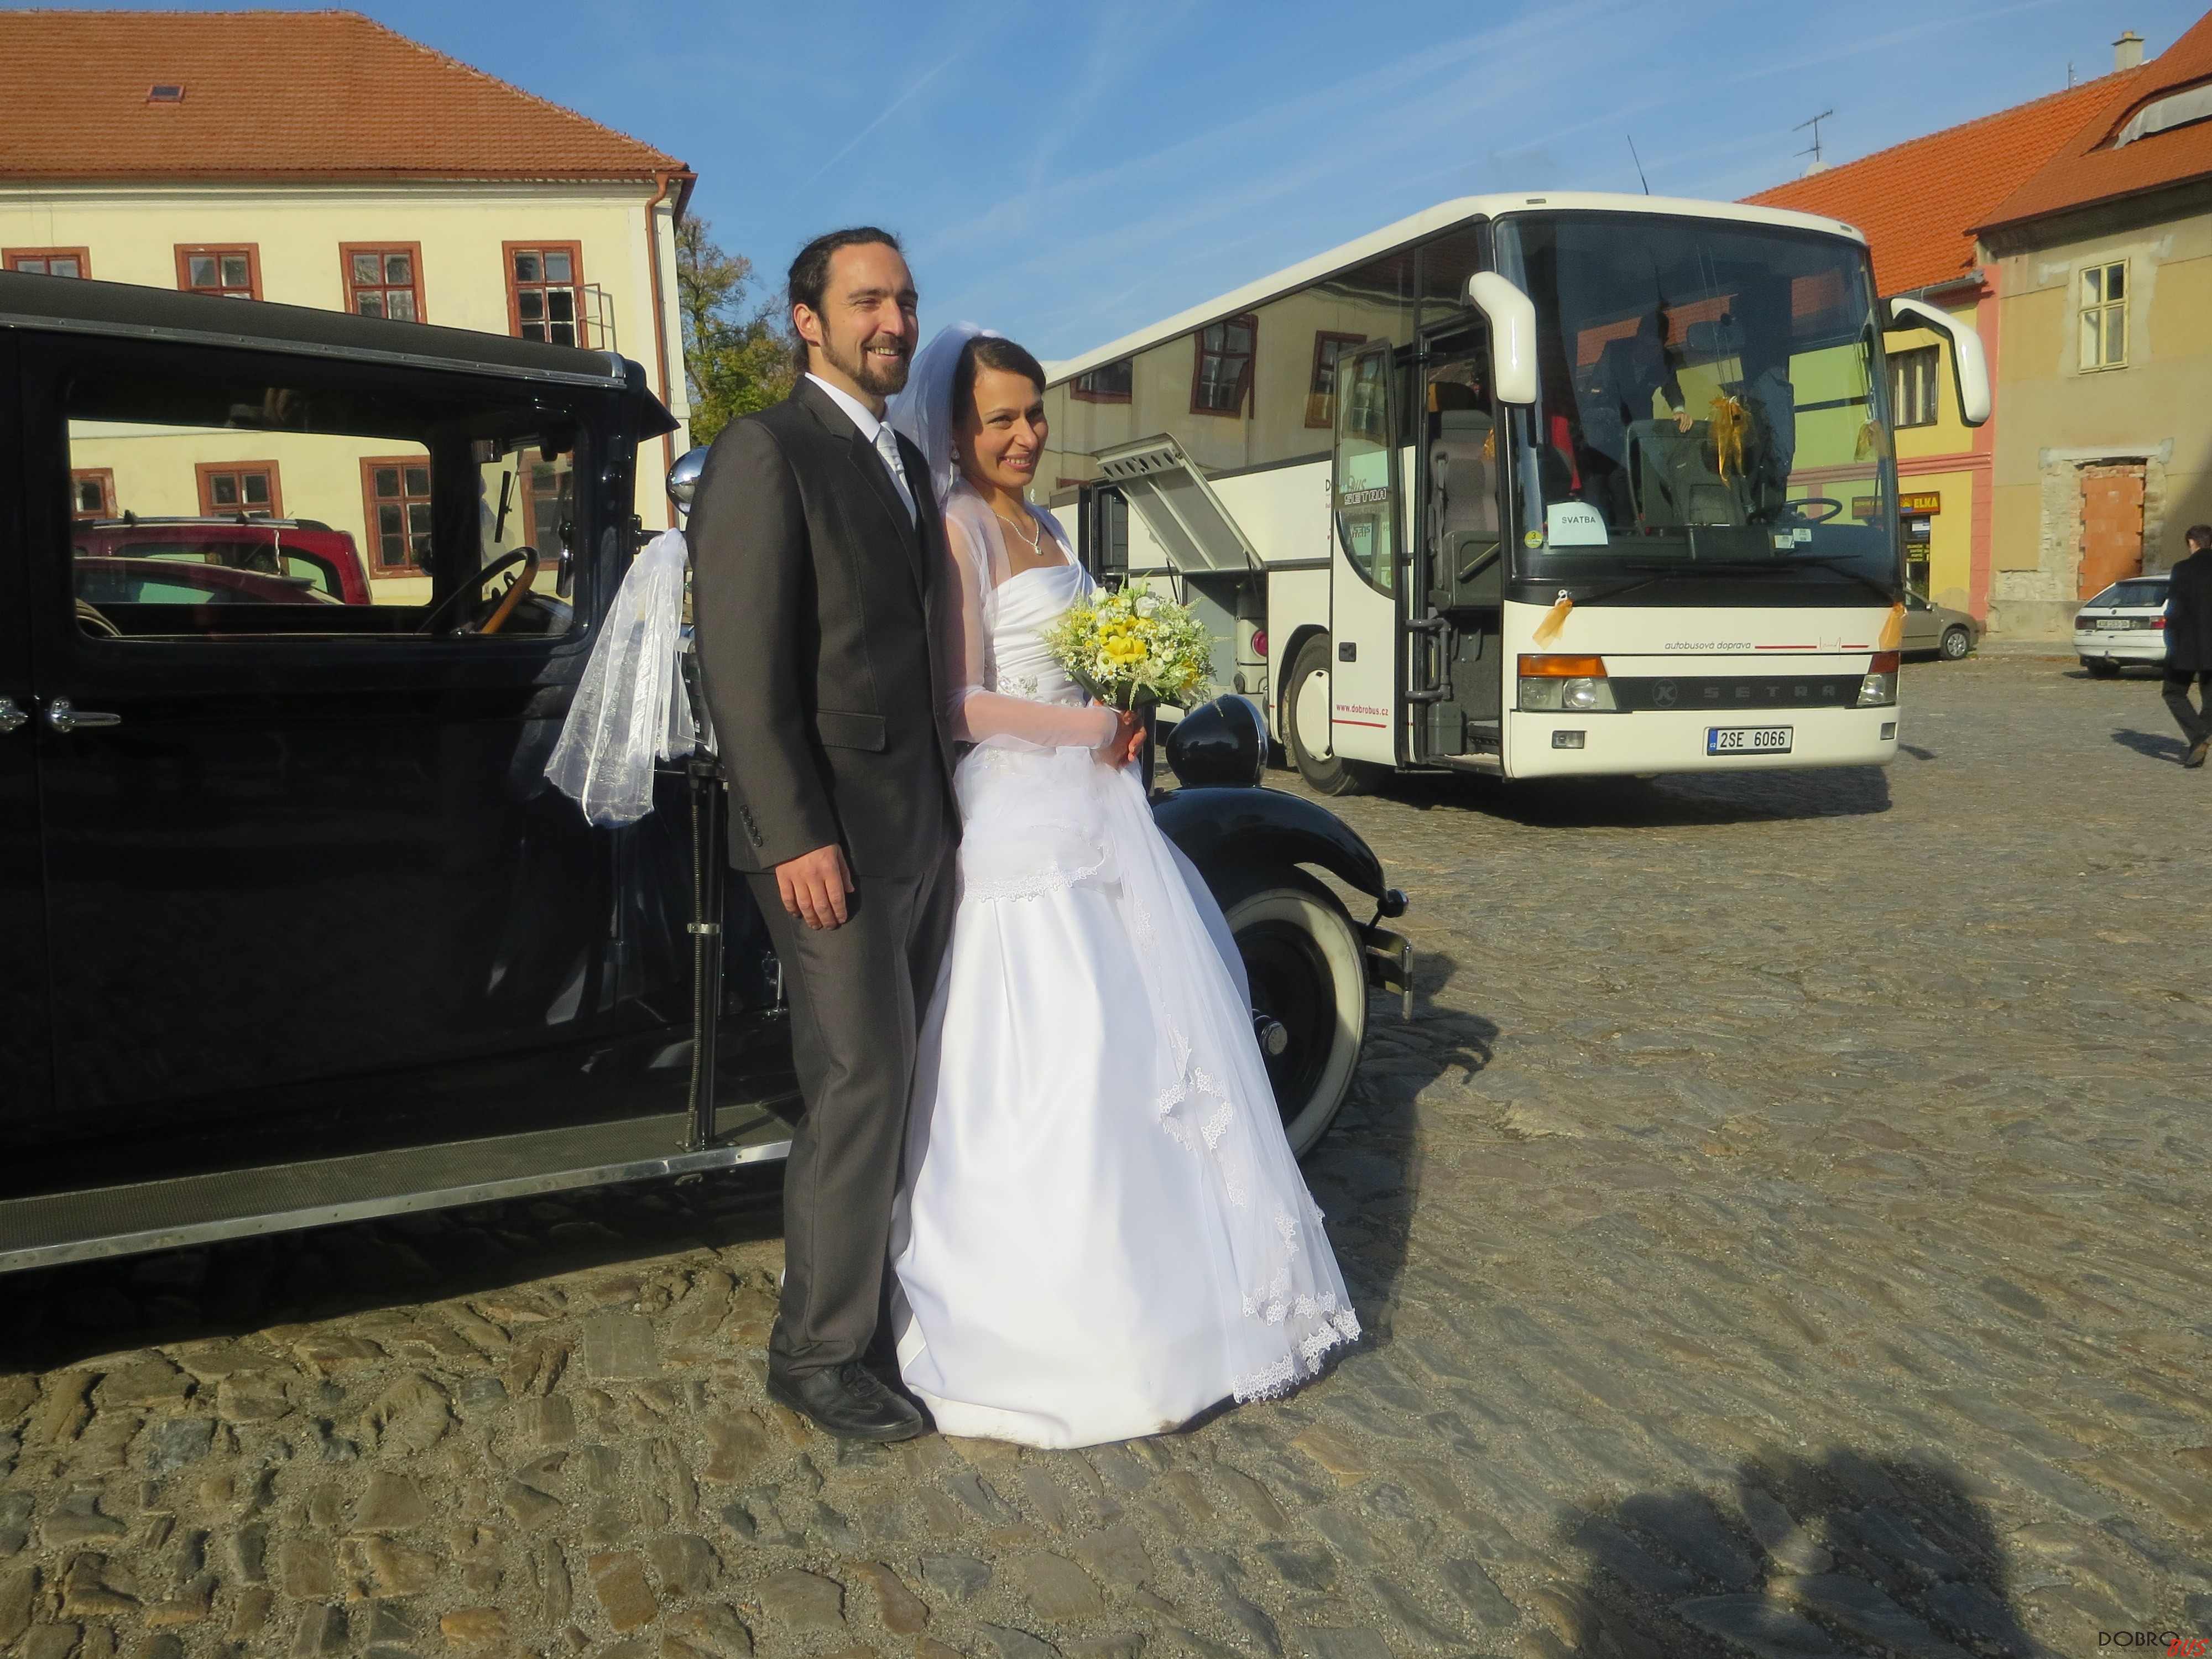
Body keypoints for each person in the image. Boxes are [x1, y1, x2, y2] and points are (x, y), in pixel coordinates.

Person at [883, 325, 1359, 1448]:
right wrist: (1087, 725)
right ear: (956, 428)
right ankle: (1066, 1327)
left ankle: (1183, 1307)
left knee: (1157, 1049)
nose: (1022, 435)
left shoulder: (1048, 525)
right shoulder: (959, 529)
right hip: (1020, 811)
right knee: (1066, 1049)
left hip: (1101, 803)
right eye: (999, 418)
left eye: (1032, 413)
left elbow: (1082, 653)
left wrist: (1127, 701)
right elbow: (958, 702)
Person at [688, 228, 958, 1442]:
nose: (893, 321)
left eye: (904, 300)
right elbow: (742, 672)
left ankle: (887, 1310)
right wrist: (793, 832)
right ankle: (815, 1352)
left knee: (909, 1080)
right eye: (867, 301)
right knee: (860, 1082)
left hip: (920, 830)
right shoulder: (767, 449)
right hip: (824, 842)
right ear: (807, 320)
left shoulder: (900, 458)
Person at [2164, 523, 2212, 768]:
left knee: (2173, 692)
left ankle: (2199, 735)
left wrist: (2170, 637)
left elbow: (2176, 607)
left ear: (2192, 543)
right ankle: (2201, 738)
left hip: (2187, 643)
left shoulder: (2183, 568)